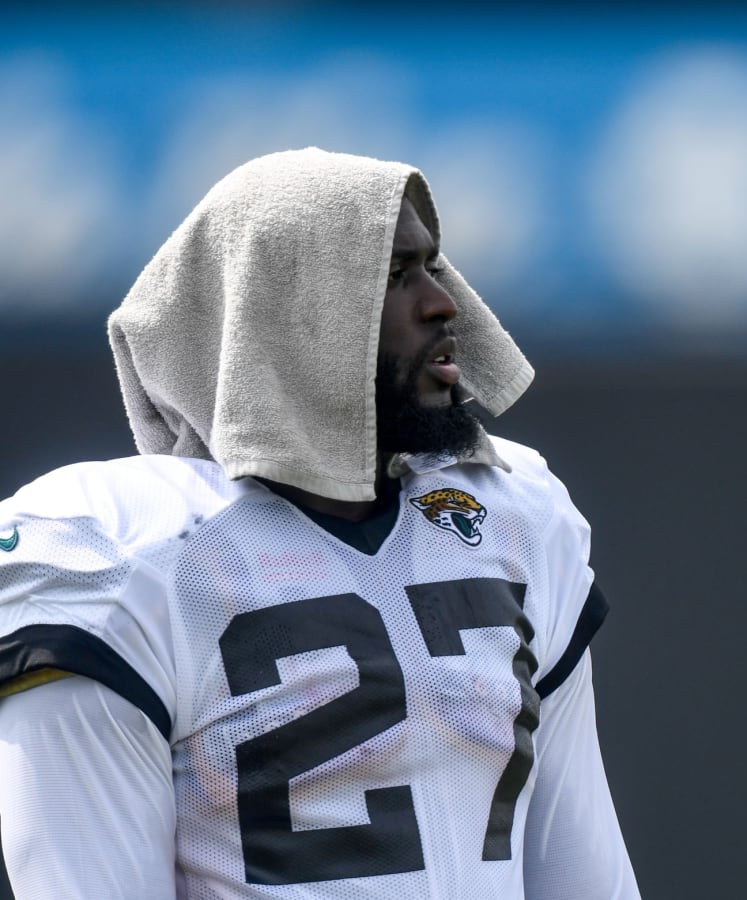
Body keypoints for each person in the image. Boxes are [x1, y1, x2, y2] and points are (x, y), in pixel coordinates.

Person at [0, 148, 639, 898]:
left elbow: (583, 870)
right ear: (289, 318)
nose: (443, 303)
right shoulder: (118, 555)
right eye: (395, 276)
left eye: (434, 267)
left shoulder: (511, 511)